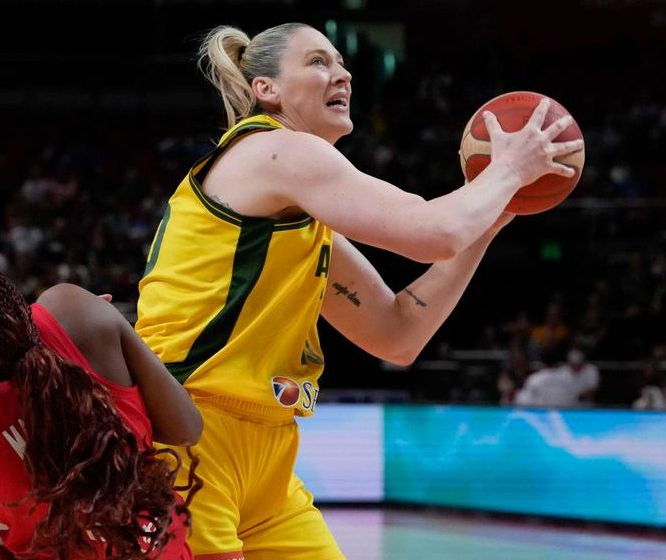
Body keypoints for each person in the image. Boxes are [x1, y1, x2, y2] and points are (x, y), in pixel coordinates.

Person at [135, 22, 584, 560]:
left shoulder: (300, 219)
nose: (342, 72)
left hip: (268, 457)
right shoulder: (274, 151)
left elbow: (397, 334)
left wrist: (490, 219)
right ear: (267, 89)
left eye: (342, 63)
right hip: (189, 432)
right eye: (318, 61)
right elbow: (432, 231)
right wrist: (507, 170)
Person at [0, 261, 202, 559]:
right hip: (153, 547)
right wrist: (93, 323)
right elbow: (187, 428)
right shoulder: (74, 308)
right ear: (16, 305)